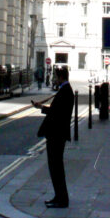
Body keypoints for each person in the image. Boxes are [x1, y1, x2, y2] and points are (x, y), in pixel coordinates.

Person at [32, 65, 74, 208]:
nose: (54, 79)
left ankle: (62, 199)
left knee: (56, 168)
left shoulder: (65, 91)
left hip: (57, 135)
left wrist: (42, 108)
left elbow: (57, 113)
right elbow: (57, 110)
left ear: (61, 77)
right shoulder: (64, 90)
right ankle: (58, 196)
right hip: (57, 134)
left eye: (56, 77)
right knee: (55, 168)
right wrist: (41, 107)